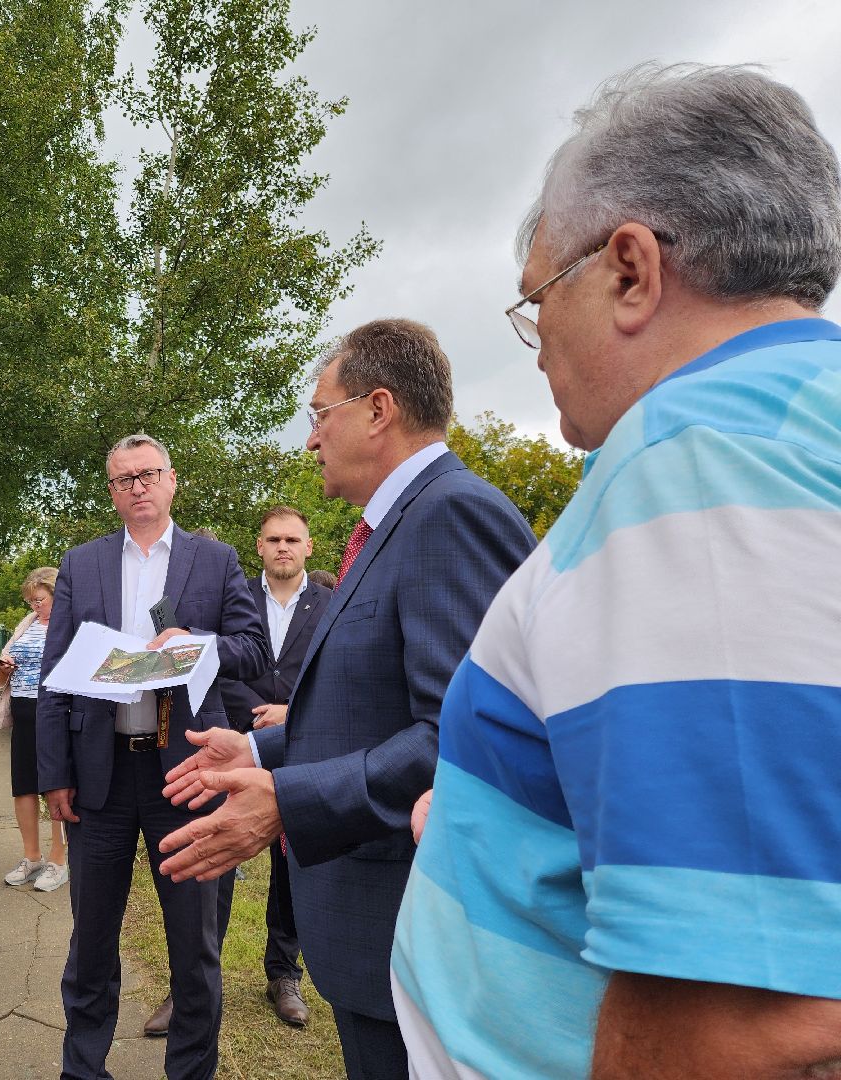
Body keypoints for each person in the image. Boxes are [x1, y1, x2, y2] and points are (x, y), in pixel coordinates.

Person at [391, 64, 841, 1079]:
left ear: (631, 270)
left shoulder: (698, 458)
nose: (539, 343)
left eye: (539, 301)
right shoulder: (793, 424)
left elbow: (737, 1017)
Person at [157, 320, 535, 1080]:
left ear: (378, 408)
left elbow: (459, 737)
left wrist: (286, 801)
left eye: (319, 414)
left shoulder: (451, 516)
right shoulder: (393, 526)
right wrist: (259, 749)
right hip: (375, 927)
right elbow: (368, 707)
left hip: (412, 924)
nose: (310, 439)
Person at [36, 432, 268, 1080]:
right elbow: (54, 674)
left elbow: (253, 650)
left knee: (194, 948)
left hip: (189, 773)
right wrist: (53, 774)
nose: (137, 486)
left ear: (172, 481)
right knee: (91, 942)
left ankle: (190, 1072)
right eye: (123, 478)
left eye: (148, 474)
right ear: (111, 492)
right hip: (99, 774)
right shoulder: (81, 565)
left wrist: (196, 644)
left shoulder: (215, 561)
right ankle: (83, 1069)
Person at [214, 506, 332, 1029]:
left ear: (308, 547)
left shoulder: (332, 602)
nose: (283, 547)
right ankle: (195, 979)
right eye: (273, 539)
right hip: (236, 740)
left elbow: (336, 671)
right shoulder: (234, 599)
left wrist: (292, 713)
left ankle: (284, 974)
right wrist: (253, 714)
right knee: (217, 859)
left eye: (292, 539)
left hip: (302, 744)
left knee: (292, 867)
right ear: (258, 547)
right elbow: (215, 665)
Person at [0, 566, 69, 893]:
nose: (34, 607)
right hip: (24, 713)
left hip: (54, 715)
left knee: (54, 786)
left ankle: (58, 860)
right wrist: (5, 668)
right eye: (30, 602)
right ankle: (32, 857)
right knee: (23, 786)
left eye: (39, 600)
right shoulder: (26, 625)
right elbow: (6, 668)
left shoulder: (71, 626)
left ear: (57, 594)